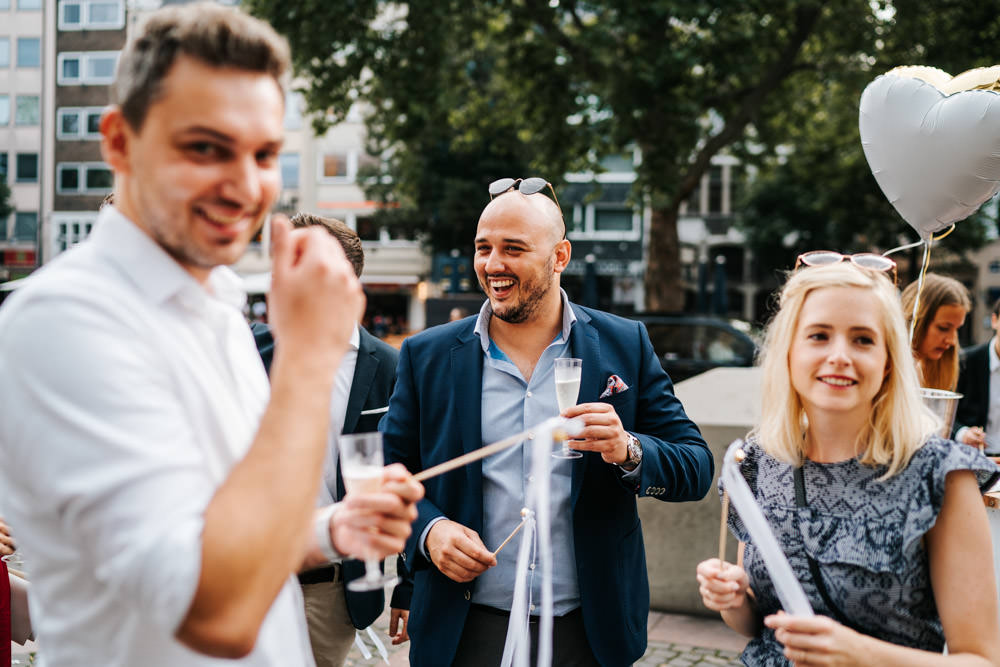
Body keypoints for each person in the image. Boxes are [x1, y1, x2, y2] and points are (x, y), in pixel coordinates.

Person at [0, 5, 422, 666]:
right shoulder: (64, 320)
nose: (244, 184)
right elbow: (214, 610)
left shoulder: (222, 308)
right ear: (118, 142)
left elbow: (229, 531)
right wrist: (310, 356)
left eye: (263, 153)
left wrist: (328, 529)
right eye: (205, 147)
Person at [383, 177, 714, 666]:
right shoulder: (425, 355)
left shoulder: (625, 344)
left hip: (588, 629)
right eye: (483, 248)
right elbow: (389, 479)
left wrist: (629, 449)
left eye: (513, 249)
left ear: (560, 256)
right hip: (465, 627)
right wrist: (430, 533)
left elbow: (697, 468)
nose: (493, 265)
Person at [697, 260, 1000, 666]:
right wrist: (734, 601)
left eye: (862, 340)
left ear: (889, 361)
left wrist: (859, 654)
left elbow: (982, 659)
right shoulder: (757, 463)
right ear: (789, 352)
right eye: (819, 336)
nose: (839, 356)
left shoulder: (940, 474)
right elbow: (759, 625)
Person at [252, 212, 409, 665]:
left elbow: (412, 468)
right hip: (249, 578)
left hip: (333, 590)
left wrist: (410, 585)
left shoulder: (391, 367)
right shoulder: (245, 351)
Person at [901, 273, 971, 391]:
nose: (952, 341)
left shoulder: (922, 369)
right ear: (916, 321)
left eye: (957, 329)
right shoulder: (886, 367)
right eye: (943, 328)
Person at [954, 296, 1000, 453]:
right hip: (974, 457)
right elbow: (942, 415)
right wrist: (963, 433)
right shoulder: (966, 361)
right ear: (994, 321)